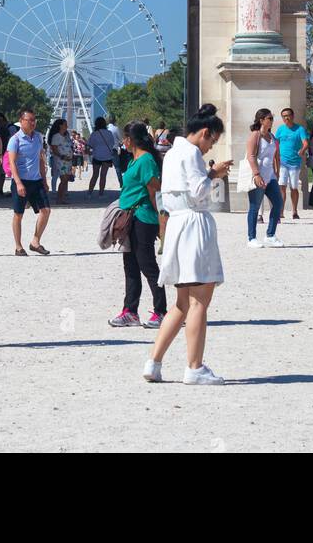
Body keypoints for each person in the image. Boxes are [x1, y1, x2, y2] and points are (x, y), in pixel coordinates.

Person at [144, 104, 234, 386]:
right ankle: (194, 367)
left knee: (181, 303)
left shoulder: (171, 153)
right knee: (199, 302)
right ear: (205, 133)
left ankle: (154, 362)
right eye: (212, 142)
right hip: (194, 224)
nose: (210, 150)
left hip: (176, 224)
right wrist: (214, 174)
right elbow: (198, 192)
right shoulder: (192, 152)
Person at [109, 122, 167, 329]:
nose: (123, 141)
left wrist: (162, 223)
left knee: (147, 265)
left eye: (125, 137)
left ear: (130, 140)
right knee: (130, 266)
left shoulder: (146, 161)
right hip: (130, 218)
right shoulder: (134, 160)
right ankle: (130, 310)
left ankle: (161, 311)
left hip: (143, 218)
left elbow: (155, 192)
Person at [8, 107, 51, 255]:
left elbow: (40, 159)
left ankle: (35, 241)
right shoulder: (15, 140)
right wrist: (18, 183)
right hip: (21, 181)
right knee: (18, 214)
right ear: (21, 121)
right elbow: (12, 162)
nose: (32, 123)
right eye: (29, 120)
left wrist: (44, 179)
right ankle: (18, 246)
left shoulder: (39, 137)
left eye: (34, 120)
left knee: (46, 210)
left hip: (36, 180)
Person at [245, 109, 284, 249]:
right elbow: (251, 156)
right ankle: (251, 238)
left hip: (271, 177)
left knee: (278, 203)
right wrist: (256, 174)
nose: (272, 121)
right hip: (258, 177)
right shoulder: (255, 135)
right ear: (261, 120)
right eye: (269, 118)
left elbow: (275, 156)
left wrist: (277, 172)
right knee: (254, 207)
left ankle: (270, 235)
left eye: (272, 118)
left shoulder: (272, 136)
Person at [274, 106, 309, 220]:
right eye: (284, 116)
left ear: (293, 116)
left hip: (294, 163)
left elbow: (305, 143)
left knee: (294, 187)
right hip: (283, 162)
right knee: (282, 186)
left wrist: (302, 150)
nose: (286, 118)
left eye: (288, 115)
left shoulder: (300, 129)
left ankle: (294, 211)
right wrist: (275, 157)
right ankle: (281, 211)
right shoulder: (280, 129)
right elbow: (275, 143)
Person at [87, 116, 117, 192]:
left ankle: (90, 192)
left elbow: (90, 145)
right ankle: (101, 193)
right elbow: (112, 143)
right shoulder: (109, 133)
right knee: (103, 176)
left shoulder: (94, 134)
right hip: (107, 156)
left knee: (95, 175)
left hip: (97, 156)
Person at [48, 117, 74, 203]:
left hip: (68, 160)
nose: (67, 126)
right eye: (65, 124)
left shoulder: (66, 136)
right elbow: (54, 149)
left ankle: (62, 197)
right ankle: (59, 198)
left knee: (66, 179)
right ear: (60, 126)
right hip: (61, 160)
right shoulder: (56, 136)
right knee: (63, 179)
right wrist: (62, 156)